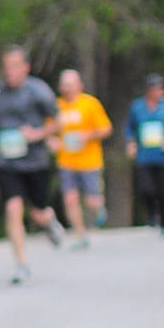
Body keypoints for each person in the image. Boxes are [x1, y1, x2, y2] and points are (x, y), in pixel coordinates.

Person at [0, 45, 65, 284]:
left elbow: (58, 121)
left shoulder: (39, 91)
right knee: (13, 208)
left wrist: (38, 134)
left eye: (15, 66)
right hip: (7, 162)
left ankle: (48, 220)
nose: (10, 71)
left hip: (36, 161)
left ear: (26, 68)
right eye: (6, 66)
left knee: (37, 212)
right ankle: (22, 264)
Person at [53, 69, 112, 248]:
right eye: (64, 85)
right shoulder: (56, 106)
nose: (67, 88)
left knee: (91, 200)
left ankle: (98, 207)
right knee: (70, 199)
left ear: (80, 85)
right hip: (66, 161)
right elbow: (47, 130)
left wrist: (87, 135)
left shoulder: (90, 104)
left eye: (70, 85)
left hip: (89, 161)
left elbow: (106, 129)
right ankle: (80, 235)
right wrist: (52, 141)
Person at [125, 72, 164, 234]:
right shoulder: (137, 107)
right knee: (146, 188)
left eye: (158, 89)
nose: (155, 92)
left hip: (163, 156)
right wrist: (131, 143)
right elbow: (130, 128)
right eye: (152, 89)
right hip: (144, 155)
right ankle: (151, 213)